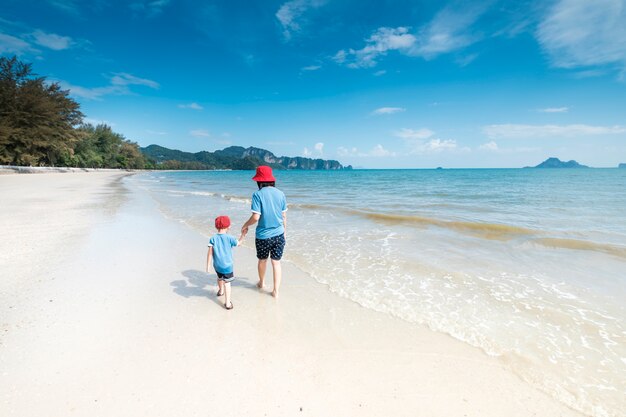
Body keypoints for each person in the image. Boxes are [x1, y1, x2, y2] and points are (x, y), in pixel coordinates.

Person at [241, 166, 287, 298]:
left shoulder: (257, 195)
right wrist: (284, 232)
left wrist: (245, 225)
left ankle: (262, 283)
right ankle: (276, 291)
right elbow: (284, 216)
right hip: (279, 234)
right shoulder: (281, 193)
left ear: (259, 181)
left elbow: (256, 217)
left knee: (262, 260)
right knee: (276, 262)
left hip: (263, 236)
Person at [206, 215, 245, 310]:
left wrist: (208, 266)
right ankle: (227, 303)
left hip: (217, 265)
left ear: (216, 226)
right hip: (227, 266)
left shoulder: (213, 238)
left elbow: (210, 253)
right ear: (228, 226)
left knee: (219, 278)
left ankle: (220, 291)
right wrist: (243, 235)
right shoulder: (230, 238)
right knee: (227, 282)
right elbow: (239, 243)